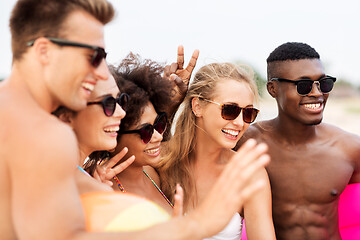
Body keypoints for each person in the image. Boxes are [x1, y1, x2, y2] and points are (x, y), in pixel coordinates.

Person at [0, 0, 270, 238]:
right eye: (94, 56)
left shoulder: (67, 157)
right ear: (45, 51)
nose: (102, 70)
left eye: (104, 57)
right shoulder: (34, 136)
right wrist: (195, 226)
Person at [235, 42, 360, 240]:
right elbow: (182, 161)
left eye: (323, 83)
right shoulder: (248, 143)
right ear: (273, 88)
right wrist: (171, 107)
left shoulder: (349, 148)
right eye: (304, 85)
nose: (317, 93)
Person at [160, 62, 276, 239]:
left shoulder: (249, 175)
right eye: (230, 110)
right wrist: (166, 106)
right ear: (197, 106)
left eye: (248, 113)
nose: (240, 123)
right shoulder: (159, 160)